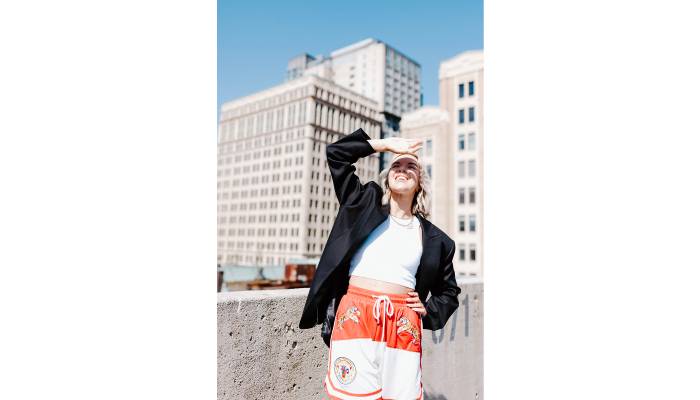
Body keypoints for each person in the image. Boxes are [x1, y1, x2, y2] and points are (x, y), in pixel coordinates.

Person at [298, 128, 461, 400]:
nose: (403, 169)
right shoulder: (362, 204)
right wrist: (386, 145)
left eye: (411, 166)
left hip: (403, 324)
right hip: (356, 316)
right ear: (387, 178)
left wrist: (428, 309)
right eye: (397, 165)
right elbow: (336, 154)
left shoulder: (437, 240)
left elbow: (449, 292)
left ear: (420, 183)